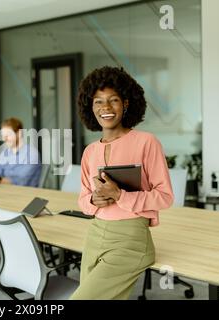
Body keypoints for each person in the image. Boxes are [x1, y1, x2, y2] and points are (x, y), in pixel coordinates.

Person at [70, 66, 174, 300]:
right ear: (91, 107)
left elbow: (165, 196)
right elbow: (83, 201)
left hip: (131, 240)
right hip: (95, 234)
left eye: (113, 100)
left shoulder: (147, 142)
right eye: (98, 102)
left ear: (126, 104)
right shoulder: (89, 152)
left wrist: (121, 196)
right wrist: (93, 200)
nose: (105, 108)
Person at [0, 117, 41, 187]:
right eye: (3, 136)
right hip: (6, 191)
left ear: (19, 133)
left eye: (8, 135)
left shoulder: (32, 154)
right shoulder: (4, 153)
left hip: (26, 194)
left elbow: (21, 181)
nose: (4, 139)